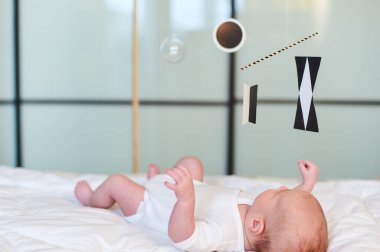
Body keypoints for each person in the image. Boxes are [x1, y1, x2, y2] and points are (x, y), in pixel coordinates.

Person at [75, 156, 328, 252]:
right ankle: (160, 181)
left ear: (256, 225)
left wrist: (185, 199)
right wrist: (306, 185)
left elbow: (184, 238)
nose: (280, 188)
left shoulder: (225, 234)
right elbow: (286, 215)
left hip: (152, 207)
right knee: (193, 164)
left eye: (277, 193)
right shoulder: (259, 217)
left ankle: (93, 200)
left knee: (117, 182)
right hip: (191, 190)